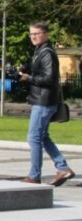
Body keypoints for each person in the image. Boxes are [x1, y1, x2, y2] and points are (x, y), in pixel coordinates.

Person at [19, 22, 74, 186]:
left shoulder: (47, 53)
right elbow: (37, 70)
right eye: (31, 34)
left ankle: (34, 175)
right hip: (41, 99)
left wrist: (28, 78)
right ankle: (63, 168)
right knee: (42, 136)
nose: (33, 37)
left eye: (37, 33)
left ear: (46, 34)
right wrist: (24, 69)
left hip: (44, 101)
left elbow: (49, 79)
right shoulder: (39, 51)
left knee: (34, 137)